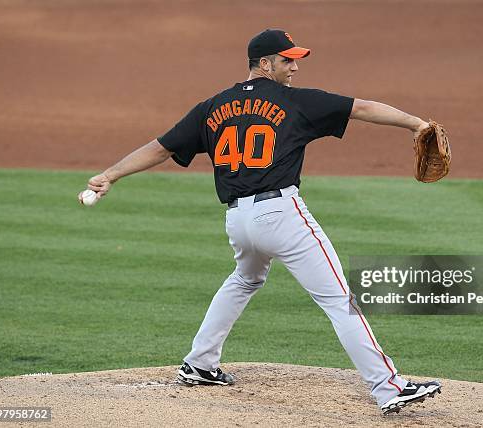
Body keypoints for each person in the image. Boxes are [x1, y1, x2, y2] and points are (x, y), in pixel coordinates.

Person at [80, 29, 441, 415]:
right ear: (265, 64)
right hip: (280, 214)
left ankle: (199, 363)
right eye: (288, 60)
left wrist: (111, 175)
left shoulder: (212, 107)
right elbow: (362, 108)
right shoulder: (294, 101)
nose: (295, 66)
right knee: (339, 301)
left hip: (238, 220)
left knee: (245, 278)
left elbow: (161, 148)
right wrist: (416, 124)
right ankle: (388, 387)